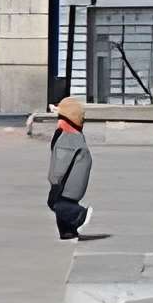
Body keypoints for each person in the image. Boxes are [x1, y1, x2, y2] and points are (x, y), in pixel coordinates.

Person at [44, 94, 93, 239]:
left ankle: (80, 215)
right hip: (72, 179)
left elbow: (60, 164)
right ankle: (68, 230)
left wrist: (55, 182)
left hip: (67, 182)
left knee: (57, 203)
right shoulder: (74, 136)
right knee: (62, 204)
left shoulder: (67, 137)